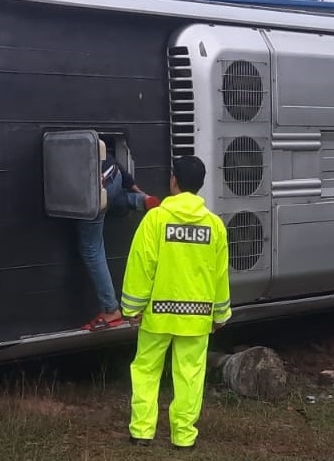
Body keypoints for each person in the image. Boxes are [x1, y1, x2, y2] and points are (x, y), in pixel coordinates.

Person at [119, 155, 230, 451]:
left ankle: (142, 432)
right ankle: (183, 436)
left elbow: (141, 266)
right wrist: (220, 314)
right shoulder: (215, 226)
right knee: (190, 375)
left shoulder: (155, 220)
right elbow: (219, 276)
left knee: (146, 369)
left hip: (157, 315)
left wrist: (131, 308)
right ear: (201, 185)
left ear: (173, 181)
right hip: (196, 317)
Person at [76, 145, 159, 331]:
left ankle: (110, 309)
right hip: (115, 176)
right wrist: (141, 194)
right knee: (109, 203)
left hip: (97, 188)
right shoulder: (97, 145)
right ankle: (136, 201)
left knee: (91, 247)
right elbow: (118, 167)